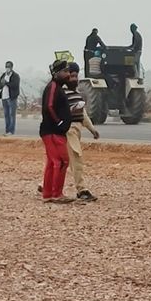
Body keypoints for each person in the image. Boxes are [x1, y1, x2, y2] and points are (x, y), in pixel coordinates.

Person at [64, 62, 100, 201]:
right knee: (76, 159)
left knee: (65, 161)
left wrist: (92, 129)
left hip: (77, 130)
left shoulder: (77, 93)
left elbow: (83, 114)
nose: (74, 79)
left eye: (76, 76)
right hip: (69, 130)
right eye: (71, 76)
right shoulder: (62, 94)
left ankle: (44, 185)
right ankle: (82, 190)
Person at [39, 60, 74, 204]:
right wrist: (59, 122)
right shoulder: (53, 86)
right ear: (57, 73)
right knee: (60, 161)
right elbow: (49, 106)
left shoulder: (58, 87)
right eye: (65, 72)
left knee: (53, 162)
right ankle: (56, 193)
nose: (68, 75)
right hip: (53, 131)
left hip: (55, 131)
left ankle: (48, 193)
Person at [0, 61, 20, 135]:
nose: (7, 68)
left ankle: (11, 131)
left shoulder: (15, 76)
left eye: (8, 66)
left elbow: (15, 85)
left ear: (11, 67)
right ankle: (7, 130)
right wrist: (1, 83)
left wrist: (6, 82)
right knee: (6, 115)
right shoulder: (3, 75)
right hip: (4, 97)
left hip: (11, 98)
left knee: (12, 115)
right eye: (6, 66)